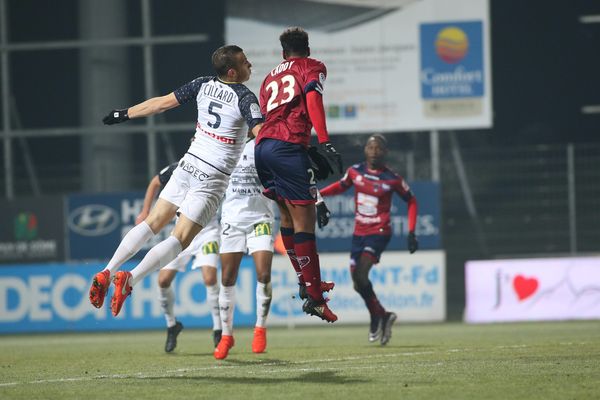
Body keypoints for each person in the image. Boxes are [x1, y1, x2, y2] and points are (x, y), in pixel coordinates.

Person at [88, 45, 263, 317]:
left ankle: (107, 270)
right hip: (213, 176)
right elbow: (261, 135)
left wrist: (124, 114)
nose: (249, 65)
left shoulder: (202, 84)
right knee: (179, 239)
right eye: (245, 62)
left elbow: (159, 103)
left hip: (187, 164)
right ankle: (130, 279)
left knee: (151, 223)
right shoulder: (245, 97)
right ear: (233, 71)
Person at [254, 27, 342, 323]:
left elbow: (267, 114)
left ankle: (307, 283)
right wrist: (325, 140)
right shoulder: (313, 67)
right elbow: (312, 100)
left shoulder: (269, 77)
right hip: (287, 147)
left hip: (263, 148)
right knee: (305, 224)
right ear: (308, 48)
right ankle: (316, 299)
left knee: (287, 220)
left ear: (283, 53)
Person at [319, 134, 419, 345]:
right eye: (370, 147)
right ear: (365, 150)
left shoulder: (392, 178)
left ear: (385, 152)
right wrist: (318, 195)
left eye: (378, 148)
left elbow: (411, 201)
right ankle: (382, 314)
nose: (373, 151)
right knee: (357, 282)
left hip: (379, 232)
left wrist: (411, 232)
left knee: (362, 275)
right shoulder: (355, 172)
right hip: (359, 233)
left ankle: (377, 317)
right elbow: (340, 186)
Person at [135, 162, 223, 352]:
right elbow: (155, 182)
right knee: (163, 281)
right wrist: (145, 210)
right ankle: (172, 325)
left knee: (209, 277)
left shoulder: (220, 166)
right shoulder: (182, 166)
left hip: (207, 233)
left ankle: (218, 329)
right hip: (180, 233)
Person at [214, 137, 276, 360]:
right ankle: (226, 336)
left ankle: (260, 328)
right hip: (232, 219)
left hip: (260, 219)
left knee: (264, 273)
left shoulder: (263, 147)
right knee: (228, 279)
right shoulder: (222, 145)